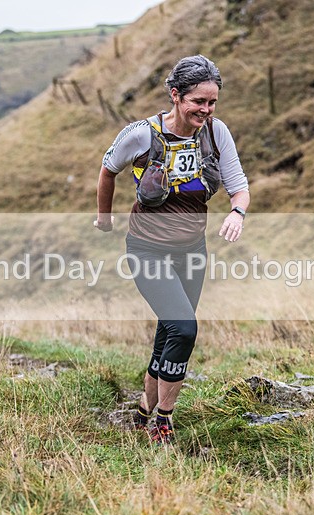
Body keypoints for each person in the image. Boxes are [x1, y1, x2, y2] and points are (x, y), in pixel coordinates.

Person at [94, 55, 250, 444]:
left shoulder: (217, 133)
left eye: (213, 102)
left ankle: (144, 412)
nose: (207, 110)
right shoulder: (141, 134)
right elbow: (108, 170)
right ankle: (164, 420)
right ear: (176, 96)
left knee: (170, 332)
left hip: (191, 251)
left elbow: (239, 185)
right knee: (184, 326)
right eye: (199, 102)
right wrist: (104, 217)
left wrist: (237, 212)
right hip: (147, 249)